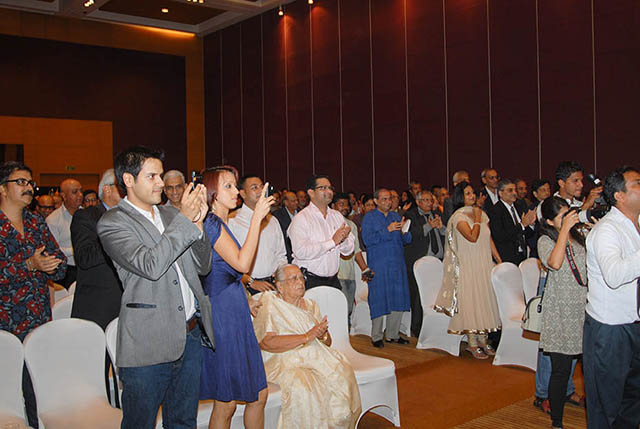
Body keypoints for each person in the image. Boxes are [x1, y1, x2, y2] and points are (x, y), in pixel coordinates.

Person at [97, 146, 214, 429]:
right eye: (152, 176)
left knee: (183, 421)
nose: (161, 183)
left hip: (189, 335)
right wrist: (185, 220)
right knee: (141, 423)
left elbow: (202, 266)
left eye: (160, 176)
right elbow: (150, 265)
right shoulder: (113, 222)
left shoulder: (171, 215)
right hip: (148, 341)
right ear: (128, 180)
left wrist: (198, 225)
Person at [199, 166, 273, 429]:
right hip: (222, 313)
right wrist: (256, 220)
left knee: (255, 395)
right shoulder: (210, 223)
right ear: (212, 193)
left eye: (234, 185)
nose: (235, 192)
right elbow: (242, 264)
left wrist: (246, 297)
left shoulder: (220, 222)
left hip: (233, 307)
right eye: (227, 186)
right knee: (227, 402)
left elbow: (230, 272)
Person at [0, 161, 67, 428]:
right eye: (21, 182)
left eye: (30, 183)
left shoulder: (36, 222)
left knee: (38, 391)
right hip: (5, 324)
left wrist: (53, 265)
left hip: (37, 321)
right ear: (2, 188)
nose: (28, 188)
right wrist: (29, 265)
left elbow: (60, 264)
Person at [253, 264, 361, 428]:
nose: (300, 282)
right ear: (280, 286)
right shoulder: (269, 304)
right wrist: (306, 337)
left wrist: (322, 334)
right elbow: (266, 342)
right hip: (283, 360)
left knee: (341, 371)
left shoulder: (310, 305)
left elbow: (327, 342)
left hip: (314, 356)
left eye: (301, 278)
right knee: (306, 387)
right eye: (293, 279)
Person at [583, 166, 640, 428]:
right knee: (606, 406)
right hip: (611, 330)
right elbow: (615, 275)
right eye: (637, 183)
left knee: (632, 402)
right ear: (620, 196)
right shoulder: (607, 230)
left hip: (634, 323)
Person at [71, 168, 124, 404]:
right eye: (123, 188)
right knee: (95, 375)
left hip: (128, 304)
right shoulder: (86, 217)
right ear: (107, 190)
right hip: (99, 307)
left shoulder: (133, 217)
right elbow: (85, 257)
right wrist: (116, 234)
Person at [434, 181, 502, 359]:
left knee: (484, 300)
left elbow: (488, 239)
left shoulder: (482, 214)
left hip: (483, 263)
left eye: (473, 193)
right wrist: (477, 219)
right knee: (472, 302)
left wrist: (498, 259)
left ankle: (483, 340)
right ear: (460, 197)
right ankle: (472, 343)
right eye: (467, 193)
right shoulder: (458, 217)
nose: (472, 196)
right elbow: (472, 237)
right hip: (468, 265)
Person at [537, 197, 588, 429]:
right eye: (562, 216)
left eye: (569, 213)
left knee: (590, 369)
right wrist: (564, 231)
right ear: (549, 221)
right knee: (561, 371)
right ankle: (557, 422)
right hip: (560, 312)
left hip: (585, 308)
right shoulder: (545, 240)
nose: (568, 218)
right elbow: (555, 263)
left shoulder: (580, 235)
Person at [362, 188, 412, 348]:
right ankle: (376, 336)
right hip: (379, 264)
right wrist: (387, 230)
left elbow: (406, 241)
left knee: (398, 297)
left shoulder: (395, 216)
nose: (388, 202)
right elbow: (367, 240)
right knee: (379, 298)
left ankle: (393, 334)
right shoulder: (369, 218)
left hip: (397, 263)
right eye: (384, 199)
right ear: (376, 201)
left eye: (389, 199)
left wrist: (404, 231)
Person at [288, 175, 354, 290]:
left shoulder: (337, 216)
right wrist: (332, 242)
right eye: (323, 188)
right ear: (311, 192)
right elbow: (301, 252)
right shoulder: (301, 218)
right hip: (309, 280)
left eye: (330, 188)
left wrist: (343, 240)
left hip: (333, 280)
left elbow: (348, 251)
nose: (329, 191)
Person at [228, 174, 286, 294]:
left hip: (273, 285)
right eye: (254, 188)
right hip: (246, 287)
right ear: (243, 194)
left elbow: (281, 254)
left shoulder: (272, 220)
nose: (260, 191)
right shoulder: (232, 221)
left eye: (262, 187)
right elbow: (228, 262)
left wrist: (280, 275)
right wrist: (250, 281)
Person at [404, 190, 445, 337]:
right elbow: (409, 236)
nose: (429, 203)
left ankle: (435, 326)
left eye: (431, 200)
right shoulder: (410, 215)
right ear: (418, 202)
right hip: (419, 263)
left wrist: (441, 228)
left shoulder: (437, 214)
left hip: (437, 262)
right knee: (418, 296)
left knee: (435, 295)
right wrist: (428, 226)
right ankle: (417, 328)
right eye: (426, 200)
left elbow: (446, 234)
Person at [332, 193, 371, 318]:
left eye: (346, 205)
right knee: (338, 311)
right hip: (336, 275)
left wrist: (365, 269)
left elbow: (356, 250)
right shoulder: (328, 224)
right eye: (341, 204)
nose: (345, 207)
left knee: (348, 310)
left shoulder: (351, 225)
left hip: (350, 275)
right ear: (333, 206)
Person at [489, 179, 537, 265]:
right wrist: (522, 225)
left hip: (522, 255)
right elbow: (500, 236)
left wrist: (531, 224)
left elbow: (526, 234)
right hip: (506, 257)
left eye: (515, 190)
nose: (514, 193)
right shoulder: (495, 211)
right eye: (510, 190)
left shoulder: (520, 207)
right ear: (500, 193)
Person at [46, 177, 83, 288]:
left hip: (86, 268)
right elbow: (53, 250)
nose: (80, 195)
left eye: (81, 191)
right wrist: (76, 249)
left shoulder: (87, 215)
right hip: (66, 270)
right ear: (64, 196)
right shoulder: (53, 219)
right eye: (75, 192)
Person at [272, 191, 298, 263]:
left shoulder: (302, 213)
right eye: (293, 201)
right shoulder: (277, 215)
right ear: (286, 202)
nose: (296, 202)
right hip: (286, 252)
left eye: (297, 200)